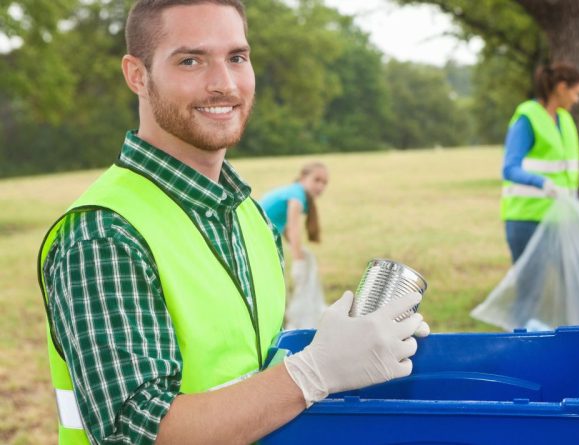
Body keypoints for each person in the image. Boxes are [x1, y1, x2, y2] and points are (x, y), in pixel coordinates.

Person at [37, 1, 429, 444]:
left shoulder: (250, 216)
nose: (223, 84)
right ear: (137, 75)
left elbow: (244, 370)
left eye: (237, 58)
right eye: (190, 60)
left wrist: (349, 348)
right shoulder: (103, 234)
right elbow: (141, 434)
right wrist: (313, 372)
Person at [501, 61, 579, 262]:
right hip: (527, 219)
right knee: (532, 290)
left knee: (557, 287)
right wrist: (543, 183)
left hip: (559, 220)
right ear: (561, 88)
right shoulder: (528, 118)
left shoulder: (564, 120)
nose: (578, 99)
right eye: (576, 92)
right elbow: (510, 168)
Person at [260, 162, 328, 285]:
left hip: (261, 238)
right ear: (303, 177)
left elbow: (285, 227)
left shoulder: (296, 192)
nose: (320, 186)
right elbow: (293, 229)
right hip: (255, 236)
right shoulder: (296, 196)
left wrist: (299, 249)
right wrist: (298, 262)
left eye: (324, 183)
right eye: (317, 180)